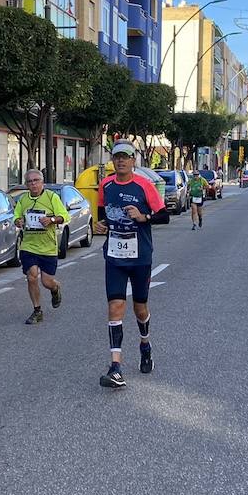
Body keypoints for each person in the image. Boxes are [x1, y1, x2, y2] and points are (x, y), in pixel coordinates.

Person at [94, 141, 169, 389]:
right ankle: (116, 367)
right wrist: (100, 225)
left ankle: (145, 344)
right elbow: (103, 214)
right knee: (115, 307)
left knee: (139, 308)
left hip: (140, 257)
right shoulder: (105, 185)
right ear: (113, 161)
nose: (121, 161)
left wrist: (143, 216)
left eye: (126, 157)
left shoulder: (144, 186)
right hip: (114, 256)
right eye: (117, 157)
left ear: (133, 160)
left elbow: (163, 214)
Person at [12, 169, 69, 325]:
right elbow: (16, 217)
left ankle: (55, 288)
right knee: (31, 276)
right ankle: (37, 311)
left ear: (42, 182)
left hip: (48, 247)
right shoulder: (23, 200)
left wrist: (51, 219)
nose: (33, 184)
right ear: (26, 185)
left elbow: (65, 216)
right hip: (28, 246)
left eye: (36, 180)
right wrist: (18, 221)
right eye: (30, 181)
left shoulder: (52, 197)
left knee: (46, 282)